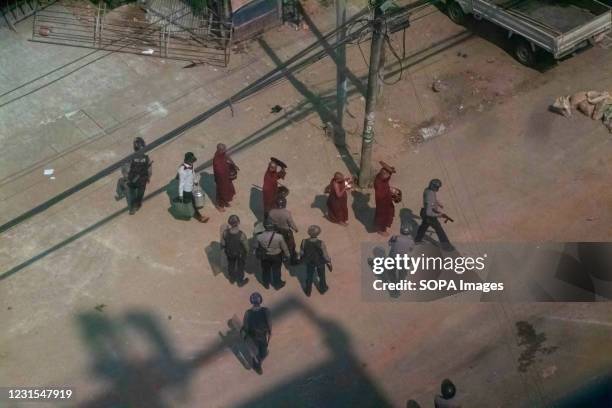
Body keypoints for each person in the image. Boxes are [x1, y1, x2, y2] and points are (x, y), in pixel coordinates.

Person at [415, 179, 451, 248]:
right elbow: (429, 213)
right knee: (439, 229)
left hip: (424, 212)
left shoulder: (428, 190)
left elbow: (432, 199)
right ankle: (446, 245)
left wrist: (438, 203)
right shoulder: (430, 194)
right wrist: (440, 215)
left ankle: (417, 240)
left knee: (424, 226)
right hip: (428, 215)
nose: (437, 189)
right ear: (433, 186)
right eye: (437, 187)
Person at [241, 292, 271, 375]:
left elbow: (269, 322)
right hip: (253, 336)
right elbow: (246, 325)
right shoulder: (248, 313)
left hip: (262, 336)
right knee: (258, 353)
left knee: (264, 353)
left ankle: (258, 361)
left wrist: (270, 331)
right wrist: (246, 335)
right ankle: (257, 365)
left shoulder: (265, 310)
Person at [256, 219, 289, 290]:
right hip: (276, 256)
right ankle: (277, 285)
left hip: (265, 256)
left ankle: (266, 284)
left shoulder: (259, 236)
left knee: (265, 270)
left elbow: (255, 246)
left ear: (265, 227)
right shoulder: (279, 236)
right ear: (273, 226)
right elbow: (284, 247)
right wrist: (287, 255)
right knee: (276, 271)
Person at [177, 152, 209, 223]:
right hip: (186, 190)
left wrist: (195, 181)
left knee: (190, 202)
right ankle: (200, 217)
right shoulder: (182, 170)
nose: (192, 162)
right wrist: (180, 195)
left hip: (191, 188)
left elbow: (193, 173)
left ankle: (192, 211)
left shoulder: (190, 165)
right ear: (188, 160)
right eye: (191, 161)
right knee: (191, 203)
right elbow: (181, 184)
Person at [299, 225, 332, 296]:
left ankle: (308, 291)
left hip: (309, 262)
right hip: (319, 262)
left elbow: (301, 253)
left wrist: (302, 258)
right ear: (318, 233)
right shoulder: (321, 243)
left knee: (309, 276)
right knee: (322, 276)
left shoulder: (304, 241)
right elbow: (325, 255)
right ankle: (323, 289)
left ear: (308, 232)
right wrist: (329, 260)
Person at [220, 215, 249, 287]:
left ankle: (232, 279)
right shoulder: (242, 234)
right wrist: (246, 253)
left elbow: (223, 244)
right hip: (240, 254)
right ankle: (240, 281)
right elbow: (247, 247)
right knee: (240, 267)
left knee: (231, 265)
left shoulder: (225, 233)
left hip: (229, 253)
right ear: (238, 222)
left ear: (229, 223)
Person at [268, 197, 299, 264]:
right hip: (286, 231)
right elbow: (291, 223)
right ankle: (290, 258)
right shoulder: (287, 213)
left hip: (276, 230)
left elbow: (269, 222)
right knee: (291, 245)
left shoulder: (271, 212)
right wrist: (295, 229)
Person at [126, 137, 152, 215]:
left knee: (132, 194)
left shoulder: (132, 157)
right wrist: (148, 177)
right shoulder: (146, 158)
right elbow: (149, 170)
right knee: (140, 194)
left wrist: (128, 178)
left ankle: (132, 207)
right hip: (142, 180)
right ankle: (137, 205)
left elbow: (127, 169)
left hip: (132, 180)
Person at [213, 143, 238, 211]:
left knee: (229, 190)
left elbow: (227, 157)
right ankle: (219, 206)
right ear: (219, 150)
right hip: (221, 180)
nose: (225, 150)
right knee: (221, 192)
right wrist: (226, 172)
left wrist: (233, 165)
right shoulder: (216, 159)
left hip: (227, 178)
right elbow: (218, 171)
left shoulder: (223, 154)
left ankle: (226, 202)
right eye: (224, 149)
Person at [374, 162, 396, 236]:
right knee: (383, 216)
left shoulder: (382, 177)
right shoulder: (378, 183)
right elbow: (380, 195)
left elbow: (387, 179)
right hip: (382, 202)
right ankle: (381, 230)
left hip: (386, 200)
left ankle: (379, 225)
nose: (389, 176)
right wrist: (390, 194)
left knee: (386, 213)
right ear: (383, 174)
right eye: (388, 174)